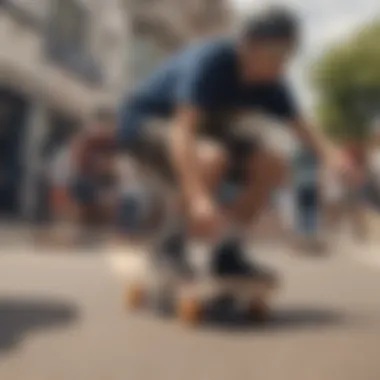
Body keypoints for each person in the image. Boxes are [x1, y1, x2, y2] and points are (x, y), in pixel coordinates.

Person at [117, 6, 360, 279]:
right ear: (247, 46)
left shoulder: (272, 82)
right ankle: (168, 248)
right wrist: (199, 199)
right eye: (275, 54)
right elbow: (182, 132)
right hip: (146, 123)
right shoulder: (212, 61)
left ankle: (228, 252)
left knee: (272, 163)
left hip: (204, 130)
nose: (282, 64)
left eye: (288, 55)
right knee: (210, 157)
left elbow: (304, 129)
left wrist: (334, 157)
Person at [70, 109, 117, 242]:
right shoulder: (90, 139)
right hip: (86, 177)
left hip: (92, 178)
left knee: (91, 205)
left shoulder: (97, 140)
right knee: (85, 205)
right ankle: (81, 234)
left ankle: (86, 234)